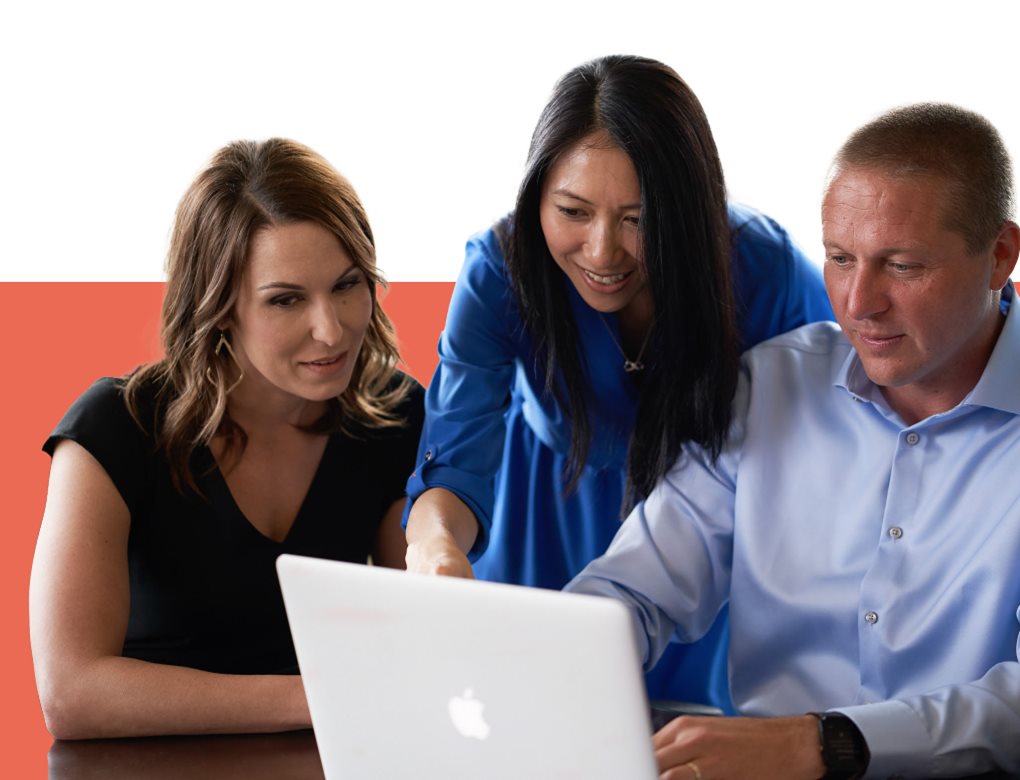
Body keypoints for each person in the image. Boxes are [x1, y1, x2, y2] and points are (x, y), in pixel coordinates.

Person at [568, 102, 1020, 778]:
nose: (859, 302)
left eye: (901, 265)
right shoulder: (770, 386)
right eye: (840, 258)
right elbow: (637, 589)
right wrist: (546, 665)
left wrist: (825, 745)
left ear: (1000, 256)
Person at [403, 54, 833, 708]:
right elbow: (454, 463)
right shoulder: (500, 268)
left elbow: (832, 454)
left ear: (688, 208)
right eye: (572, 211)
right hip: (543, 518)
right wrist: (437, 553)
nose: (603, 253)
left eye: (639, 219)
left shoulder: (762, 267)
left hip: (709, 543)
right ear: (536, 195)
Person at [29, 139, 424, 739]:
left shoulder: (394, 415)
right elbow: (72, 692)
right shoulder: (112, 428)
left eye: (347, 285)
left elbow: (430, 635)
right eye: (286, 299)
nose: (331, 328)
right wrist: (322, 697)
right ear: (218, 308)